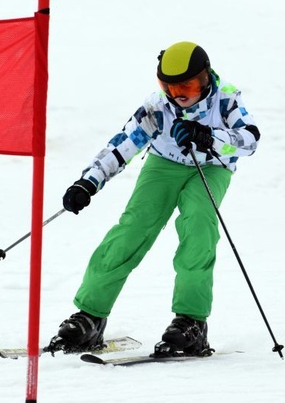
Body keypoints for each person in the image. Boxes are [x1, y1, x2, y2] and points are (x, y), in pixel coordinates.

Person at [46, 41, 260, 357]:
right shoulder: (157, 107)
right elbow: (122, 145)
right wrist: (88, 182)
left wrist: (208, 137)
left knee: (198, 224)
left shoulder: (225, 98)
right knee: (132, 229)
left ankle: (191, 322)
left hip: (211, 166)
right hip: (164, 164)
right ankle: (90, 315)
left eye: (186, 85)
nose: (178, 94)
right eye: (168, 86)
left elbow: (250, 140)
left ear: (204, 79)